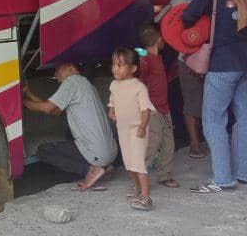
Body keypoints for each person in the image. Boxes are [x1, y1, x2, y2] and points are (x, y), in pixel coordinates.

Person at [182, 0, 247, 193]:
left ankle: (223, 178)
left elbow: (188, 16)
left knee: (214, 119)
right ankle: (246, 172)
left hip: (223, 63)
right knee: (246, 117)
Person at [23, 63, 118, 191]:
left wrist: (21, 101)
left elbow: (47, 108)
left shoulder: (72, 82)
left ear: (71, 68)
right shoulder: (85, 84)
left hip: (98, 153)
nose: (55, 74)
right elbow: (55, 111)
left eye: (58, 69)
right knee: (69, 133)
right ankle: (105, 166)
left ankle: (90, 170)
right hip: (110, 153)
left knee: (43, 150)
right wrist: (29, 94)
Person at [157, 0, 211, 159]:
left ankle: (206, 140)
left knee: (207, 101)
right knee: (192, 102)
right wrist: (191, 56)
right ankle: (194, 145)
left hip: (206, 56)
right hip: (189, 58)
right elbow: (179, 32)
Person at [107, 48, 157, 211]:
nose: (115, 68)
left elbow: (146, 110)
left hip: (137, 131)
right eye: (114, 65)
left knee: (138, 163)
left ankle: (146, 198)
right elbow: (113, 103)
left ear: (133, 68)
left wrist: (142, 126)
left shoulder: (139, 87)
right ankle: (136, 187)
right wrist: (112, 111)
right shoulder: (114, 85)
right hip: (123, 131)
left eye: (120, 65)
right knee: (128, 163)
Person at [137, 25, 178, 188]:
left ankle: (165, 175)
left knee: (168, 141)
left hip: (164, 108)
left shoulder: (153, 57)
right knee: (154, 141)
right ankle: (138, 176)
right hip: (152, 109)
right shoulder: (146, 60)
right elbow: (141, 75)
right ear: (159, 40)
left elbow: (139, 51)